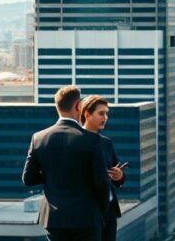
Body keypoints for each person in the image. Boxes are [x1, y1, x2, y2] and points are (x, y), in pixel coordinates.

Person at [22, 86, 110, 241]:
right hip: (86, 218)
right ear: (78, 106)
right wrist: (101, 213)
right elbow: (102, 183)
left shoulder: (38, 138)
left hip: (54, 219)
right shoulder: (92, 140)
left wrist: (52, 174)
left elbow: (28, 179)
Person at [79, 95, 124, 241]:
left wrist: (119, 176)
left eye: (106, 113)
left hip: (109, 211)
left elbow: (118, 176)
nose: (105, 117)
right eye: (101, 113)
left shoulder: (106, 143)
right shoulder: (75, 141)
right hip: (88, 211)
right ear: (87, 114)